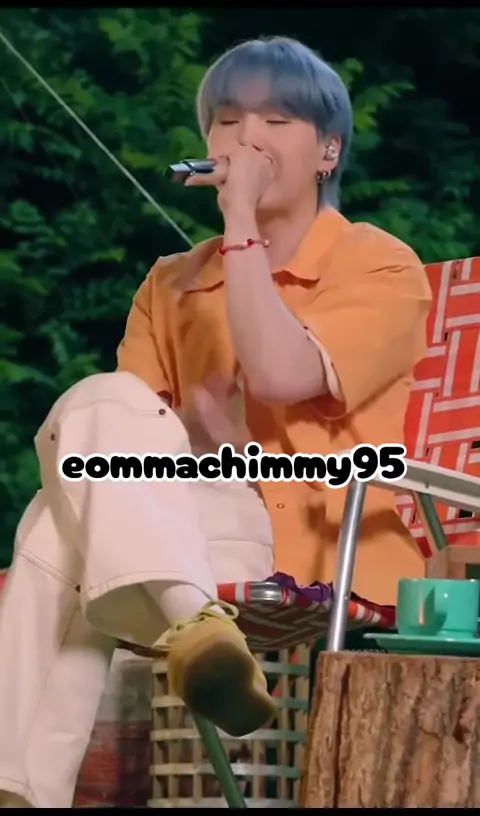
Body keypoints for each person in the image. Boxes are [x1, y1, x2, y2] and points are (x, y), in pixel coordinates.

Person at [0, 36, 432, 807]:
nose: (247, 139)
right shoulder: (170, 282)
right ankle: (196, 627)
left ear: (328, 151)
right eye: (228, 121)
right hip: (185, 524)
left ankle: (20, 786)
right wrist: (195, 435)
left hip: (311, 535)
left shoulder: (380, 265)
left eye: (277, 120)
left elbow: (279, 375)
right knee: (95, 413)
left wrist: (239, 224)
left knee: (55, 528)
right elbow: (122, 436)